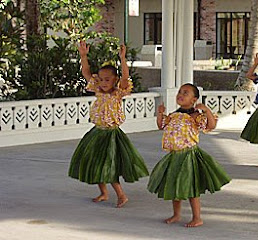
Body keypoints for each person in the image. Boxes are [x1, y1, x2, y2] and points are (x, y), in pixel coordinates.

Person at [68, 41, 149, 208]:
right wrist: (83, 56)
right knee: (95, 162)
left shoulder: (118, 93)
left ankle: (121, 195)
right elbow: (86, 72)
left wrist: (123, 59)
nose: (103, 82)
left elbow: (126, 77)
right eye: (101, 79)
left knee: (108, 165)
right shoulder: (97, 88)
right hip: (97, 132)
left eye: (107, 79)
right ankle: (103, 192)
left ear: (115, 81)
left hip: (111, 134)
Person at [148, 83, 231, 227]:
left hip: (188, 156)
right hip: (174, 156)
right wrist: (160, 113)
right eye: (180, 92)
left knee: (192, 188)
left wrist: (207, 110)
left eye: (185, 93)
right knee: (175, 186)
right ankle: (176, 214)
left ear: (194, 100)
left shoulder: (195, 116)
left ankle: (197, 217)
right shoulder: (174, 115)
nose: (180, 94)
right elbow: (161, 126)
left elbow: (210, 126)